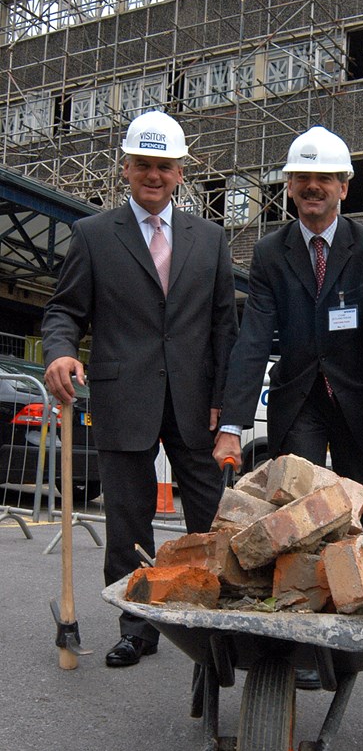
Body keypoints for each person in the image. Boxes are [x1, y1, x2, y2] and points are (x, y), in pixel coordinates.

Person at [42, 111, 238, 667]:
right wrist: (59, 352)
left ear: (180, 173)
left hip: (196, 403)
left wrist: (226, 403)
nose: (154, 175)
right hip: (124, 398)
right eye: (144, 165)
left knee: (211, 512)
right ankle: (139, 625)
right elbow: (64, 312)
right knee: (129, 518)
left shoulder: (212, 239)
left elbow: (225, 326)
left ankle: (215, 615)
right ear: (126, 168)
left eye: (165, 167)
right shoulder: (94, 236)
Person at [213, 126, 363, 533]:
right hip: (299, 400)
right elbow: (253, 339)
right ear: (289, 186)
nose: (313, 187)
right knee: (299, 515)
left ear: (343, 188)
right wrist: (232, 427)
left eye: (324, 179)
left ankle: (353, 595)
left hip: (357, 401)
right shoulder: (269, 252)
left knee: (357, 515)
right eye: (303, 179)